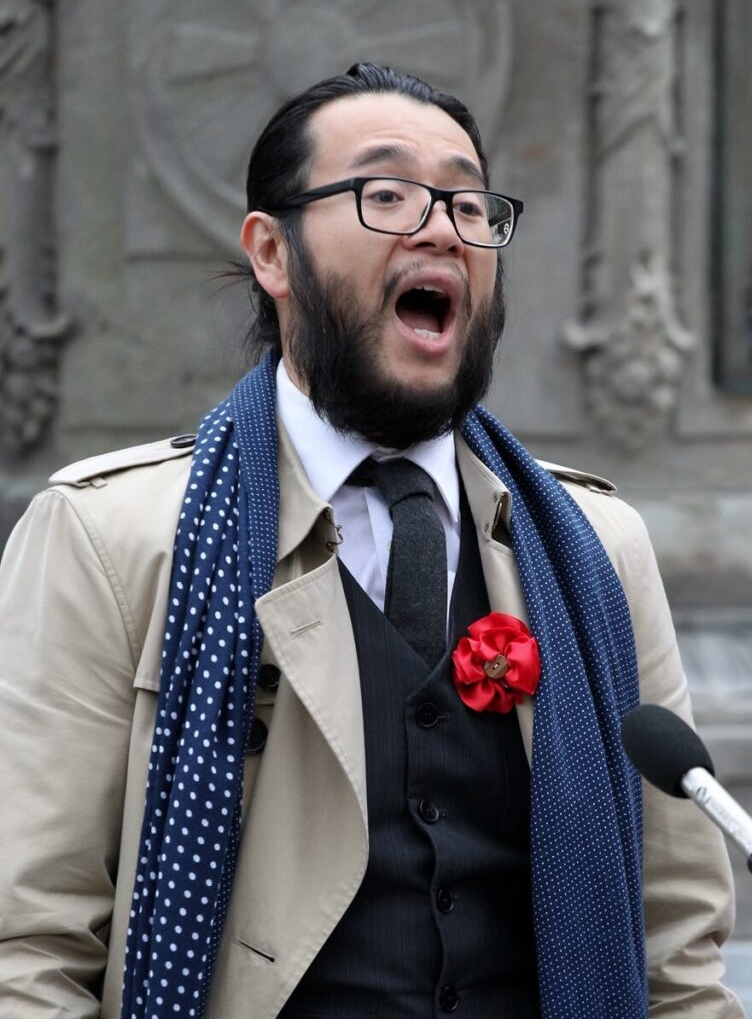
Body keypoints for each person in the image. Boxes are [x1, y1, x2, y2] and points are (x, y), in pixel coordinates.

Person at [0, 63, 744, 1019]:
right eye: (386, 194)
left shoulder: (597, 548)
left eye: (469, 205)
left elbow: (676, 955)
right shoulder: (109, 539)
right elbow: (29, 944)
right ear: (272, 253)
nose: (441, 227)